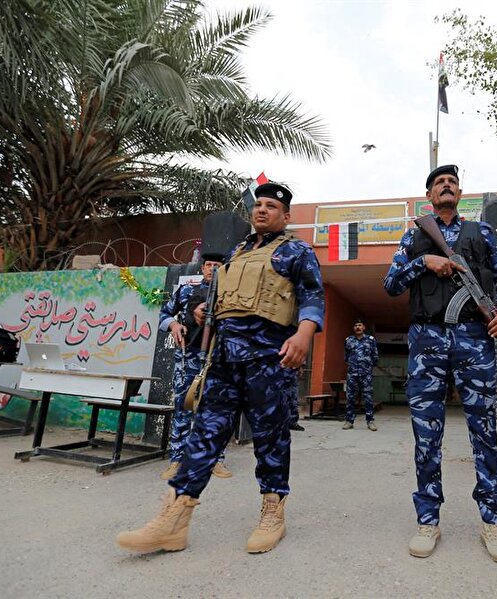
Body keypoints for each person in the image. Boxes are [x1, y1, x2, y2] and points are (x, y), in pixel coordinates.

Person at [117, 181, 325, 555]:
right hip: (223, 360)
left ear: (286, 216)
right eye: (258, 205)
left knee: (271, 438)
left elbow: (312, 296)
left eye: (271, 207)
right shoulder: (236, 252)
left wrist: (304, 335)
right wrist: (202, 310)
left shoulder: (296, 252)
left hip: (269, 360)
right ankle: (174, 518)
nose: (262, 210)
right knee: (205, 435)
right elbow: (222, 299)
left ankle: (273, 511)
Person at [384, 164, 497, 564]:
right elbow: (390, 285)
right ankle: (428, 519)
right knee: (427, 437)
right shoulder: (413, 236)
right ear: (429, 196)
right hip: (427, 340)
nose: (446, 186)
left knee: (483, 433)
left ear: (460, 193)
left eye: (452, 182)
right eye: (439, 183)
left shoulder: (481, 234)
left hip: (475, 339)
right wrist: (422, 263)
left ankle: (492, 521)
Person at [157, 257, 232, 481]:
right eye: (209, 265)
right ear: (202, 268)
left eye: (217, 266)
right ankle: (177, 460)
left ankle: (216, 460)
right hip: (186, 360)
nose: (212, 269)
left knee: (216, 411)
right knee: (182, 407)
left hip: (217, 360)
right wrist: (174, 324)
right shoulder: (186, 291)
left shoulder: (229, 294)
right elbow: (164, 314)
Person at [342, 318, 379, 431]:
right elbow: (346, 357)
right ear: (354, 328)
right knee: (350, 398)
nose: (358, 327)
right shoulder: (348, 340)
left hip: (366, 374)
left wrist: (367, 366)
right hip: (352, 373)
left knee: (368, 397)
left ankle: (370, 421)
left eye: (360, 325)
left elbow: (375, 356)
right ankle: (349, 421)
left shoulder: (370, 340)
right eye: (356, 325)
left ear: (364, 327)